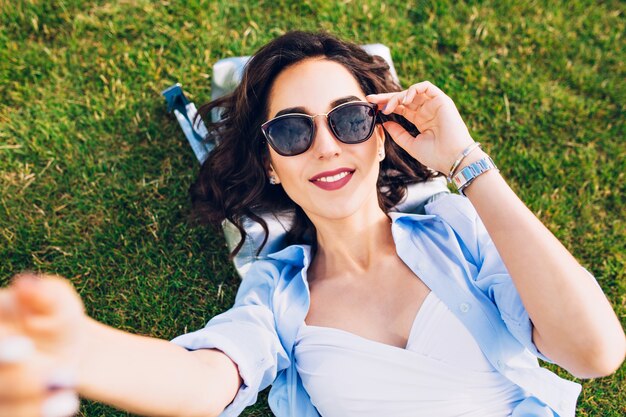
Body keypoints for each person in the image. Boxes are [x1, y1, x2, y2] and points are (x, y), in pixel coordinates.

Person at [0, 31, 624, 417]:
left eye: (349, 119)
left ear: (380, 138)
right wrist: (79, 352)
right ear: (272, 166)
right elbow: (204, 381)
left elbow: (594, 353)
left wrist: (468, 164)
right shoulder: (275, 293)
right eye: (293, 130)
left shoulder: (457, 226)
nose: (326, 146)